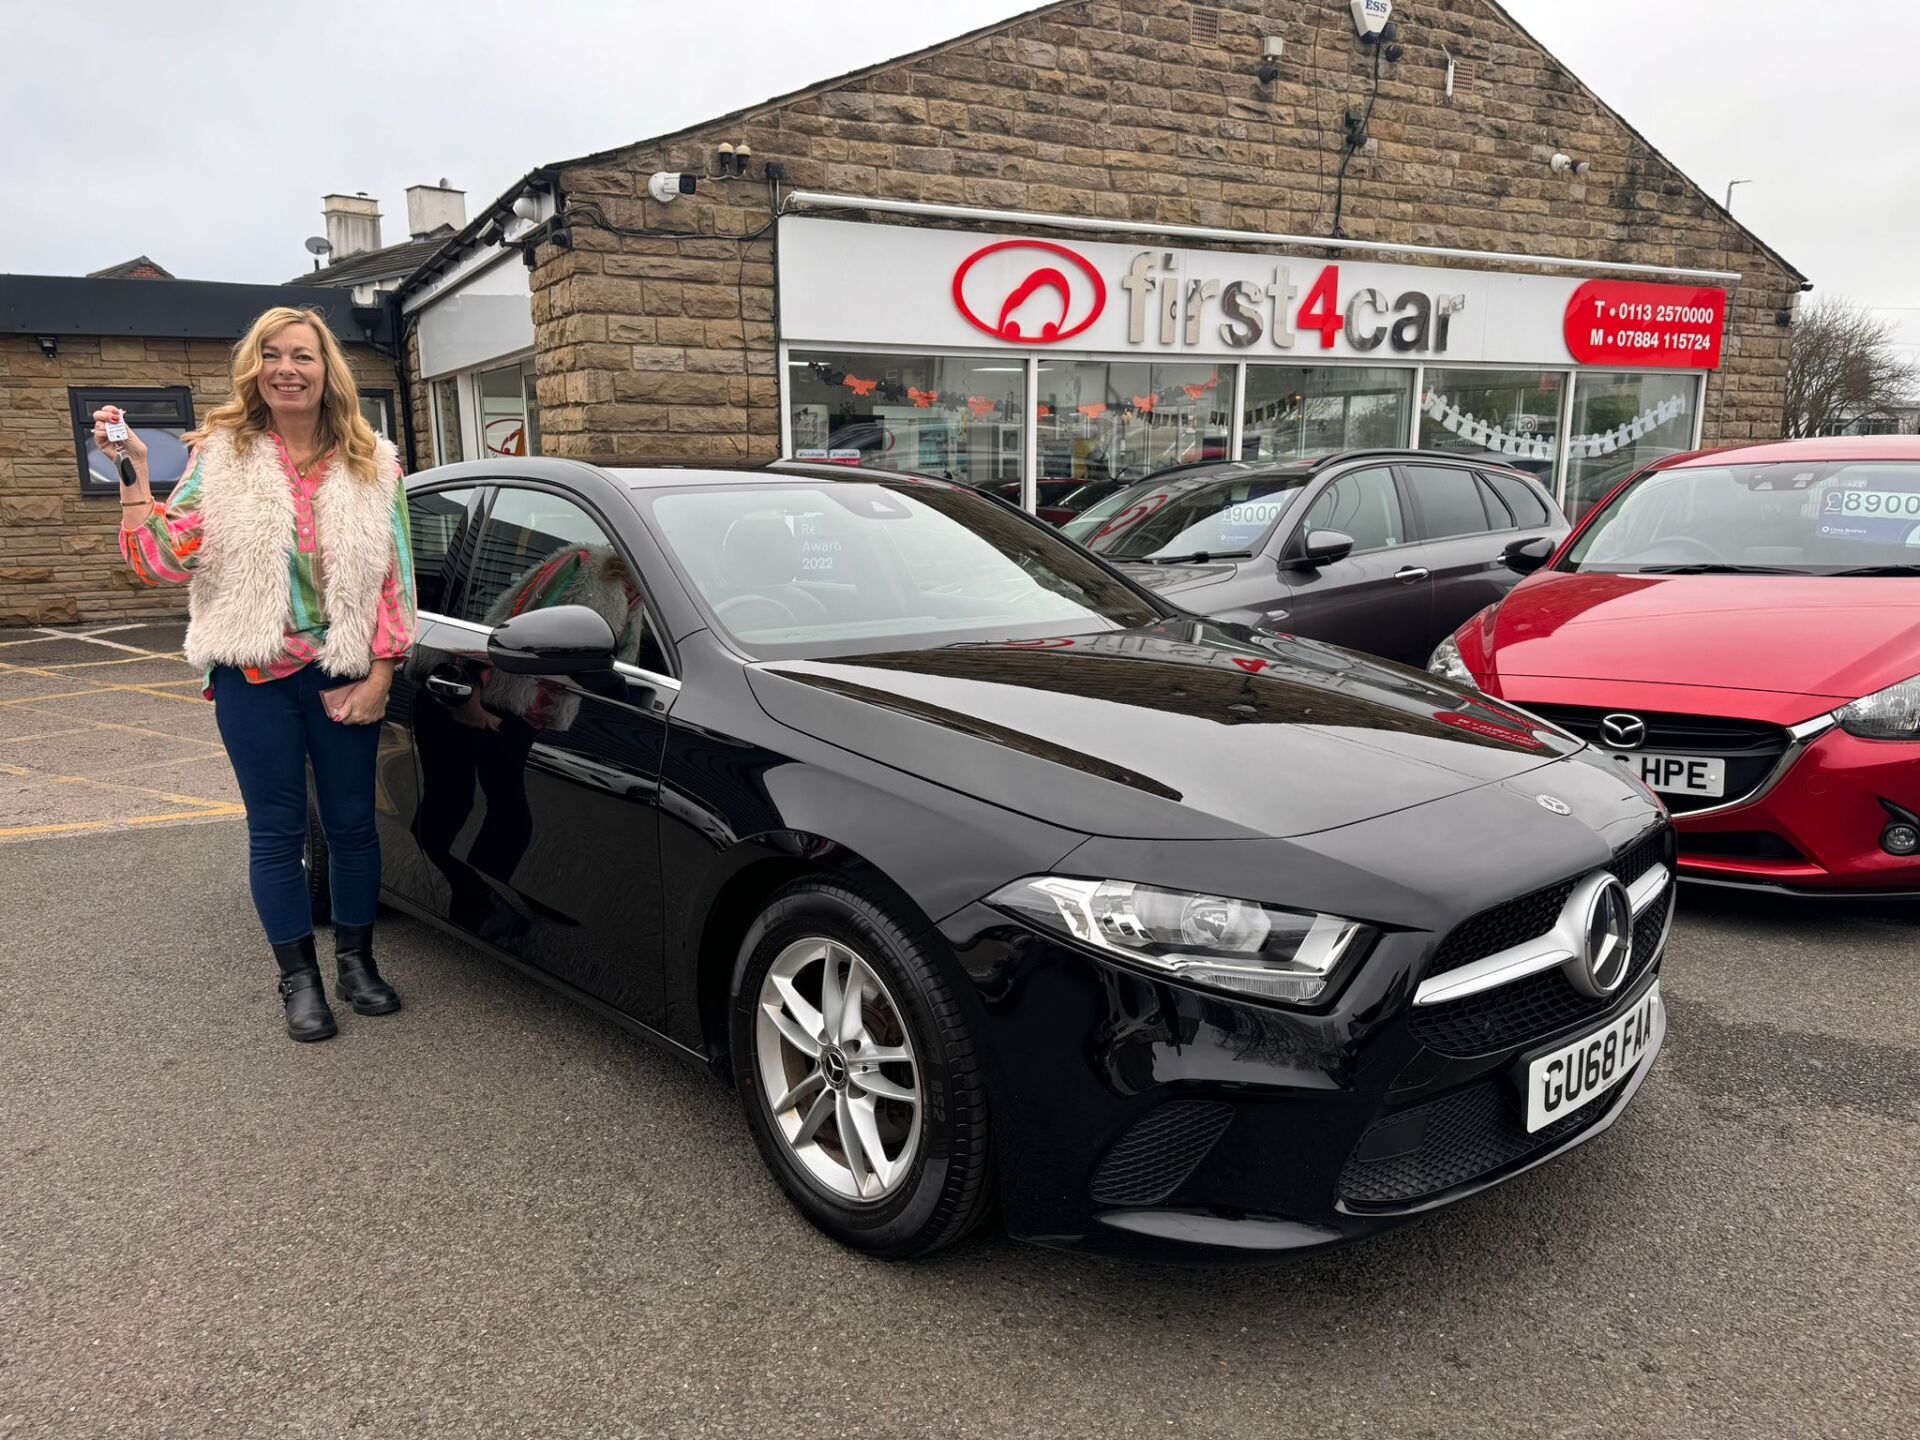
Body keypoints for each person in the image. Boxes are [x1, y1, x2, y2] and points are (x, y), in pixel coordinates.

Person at [99, 306, 416, 1043]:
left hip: (341, 671)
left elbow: (394, 580)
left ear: (326, 368)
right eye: (271, 355)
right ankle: (299, 980)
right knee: (276, 834)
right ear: (255, 371)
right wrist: (134, 474)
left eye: (301, 355)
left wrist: (379, 676)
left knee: (353, 828)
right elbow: (157, 561)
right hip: (253, 677)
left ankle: (356, 963)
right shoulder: (223, 459)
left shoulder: (375, 462)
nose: (286, 368)